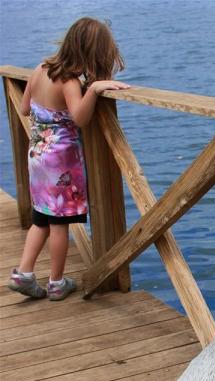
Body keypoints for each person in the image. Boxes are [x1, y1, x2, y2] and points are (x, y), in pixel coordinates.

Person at [8, 17, 130, 301]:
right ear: (92, 53)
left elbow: (25, 108)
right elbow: (80, 118)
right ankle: (56, 282)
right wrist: (95, 90)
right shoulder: (70, 81)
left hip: (37, 156)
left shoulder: (41, 69)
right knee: (59, 223)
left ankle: (24, 273)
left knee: (42, 217)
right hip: (60, 163)